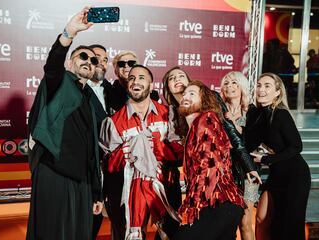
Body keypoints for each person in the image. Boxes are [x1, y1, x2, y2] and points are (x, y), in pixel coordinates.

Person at [26, 7, 103, 240]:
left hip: (81, 182)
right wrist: (69, 34)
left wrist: (96, 193)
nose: (89, 61)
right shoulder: (58, 83)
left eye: (94, 60)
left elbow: (93, 151)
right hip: (53, 172)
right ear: (70, 63)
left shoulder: (90, 99)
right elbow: (53, 64)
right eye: (83, 57)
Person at [99, 65, 181, 239]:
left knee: (171, 234)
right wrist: (129, 151)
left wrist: (157, 147)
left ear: (151, 86)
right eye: (132, 78)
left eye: (142, 77)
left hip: (166, 188)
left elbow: (180, 153)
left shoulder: (169, 114)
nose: (136, 81)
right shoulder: (113, 122)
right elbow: (109, 166)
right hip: (127, 194)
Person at [172, 80, 245, 240]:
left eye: (192, 93)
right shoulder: (195, 127)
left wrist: (193, 205)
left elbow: (208, 165)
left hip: (217, 204)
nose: (185, 96)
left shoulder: (206, 118)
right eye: (184, 94)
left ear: (204, 100)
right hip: (223, 206)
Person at [244, 73, 311, 240]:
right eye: (259, 85)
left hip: (295, 176)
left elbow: (296, 146)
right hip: (276, 175)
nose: (261, 89)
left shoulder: (281, 114)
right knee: (262, 218)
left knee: (290, 226)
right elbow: (250, 143)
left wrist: (266, 160)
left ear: (277, 92)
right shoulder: (259, 113)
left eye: (267, 86)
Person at [87, 43, 122, 239]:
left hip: (112, 167)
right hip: (87, 166)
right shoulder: (76, 89)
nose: (101, 62)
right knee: (87, 220)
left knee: (112, 218)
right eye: (96, 58)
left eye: (105, 59)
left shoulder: (114, 91)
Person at [220, 71, 259, 240]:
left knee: (245, 221)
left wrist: (234, 124)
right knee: (226, 221)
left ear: (242, 86)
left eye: (234, 83)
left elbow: (252, 141)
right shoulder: (219, 110)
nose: (230, 87)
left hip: (247, 171)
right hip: (225, 171)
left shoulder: (252, 111)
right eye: (226, 84)